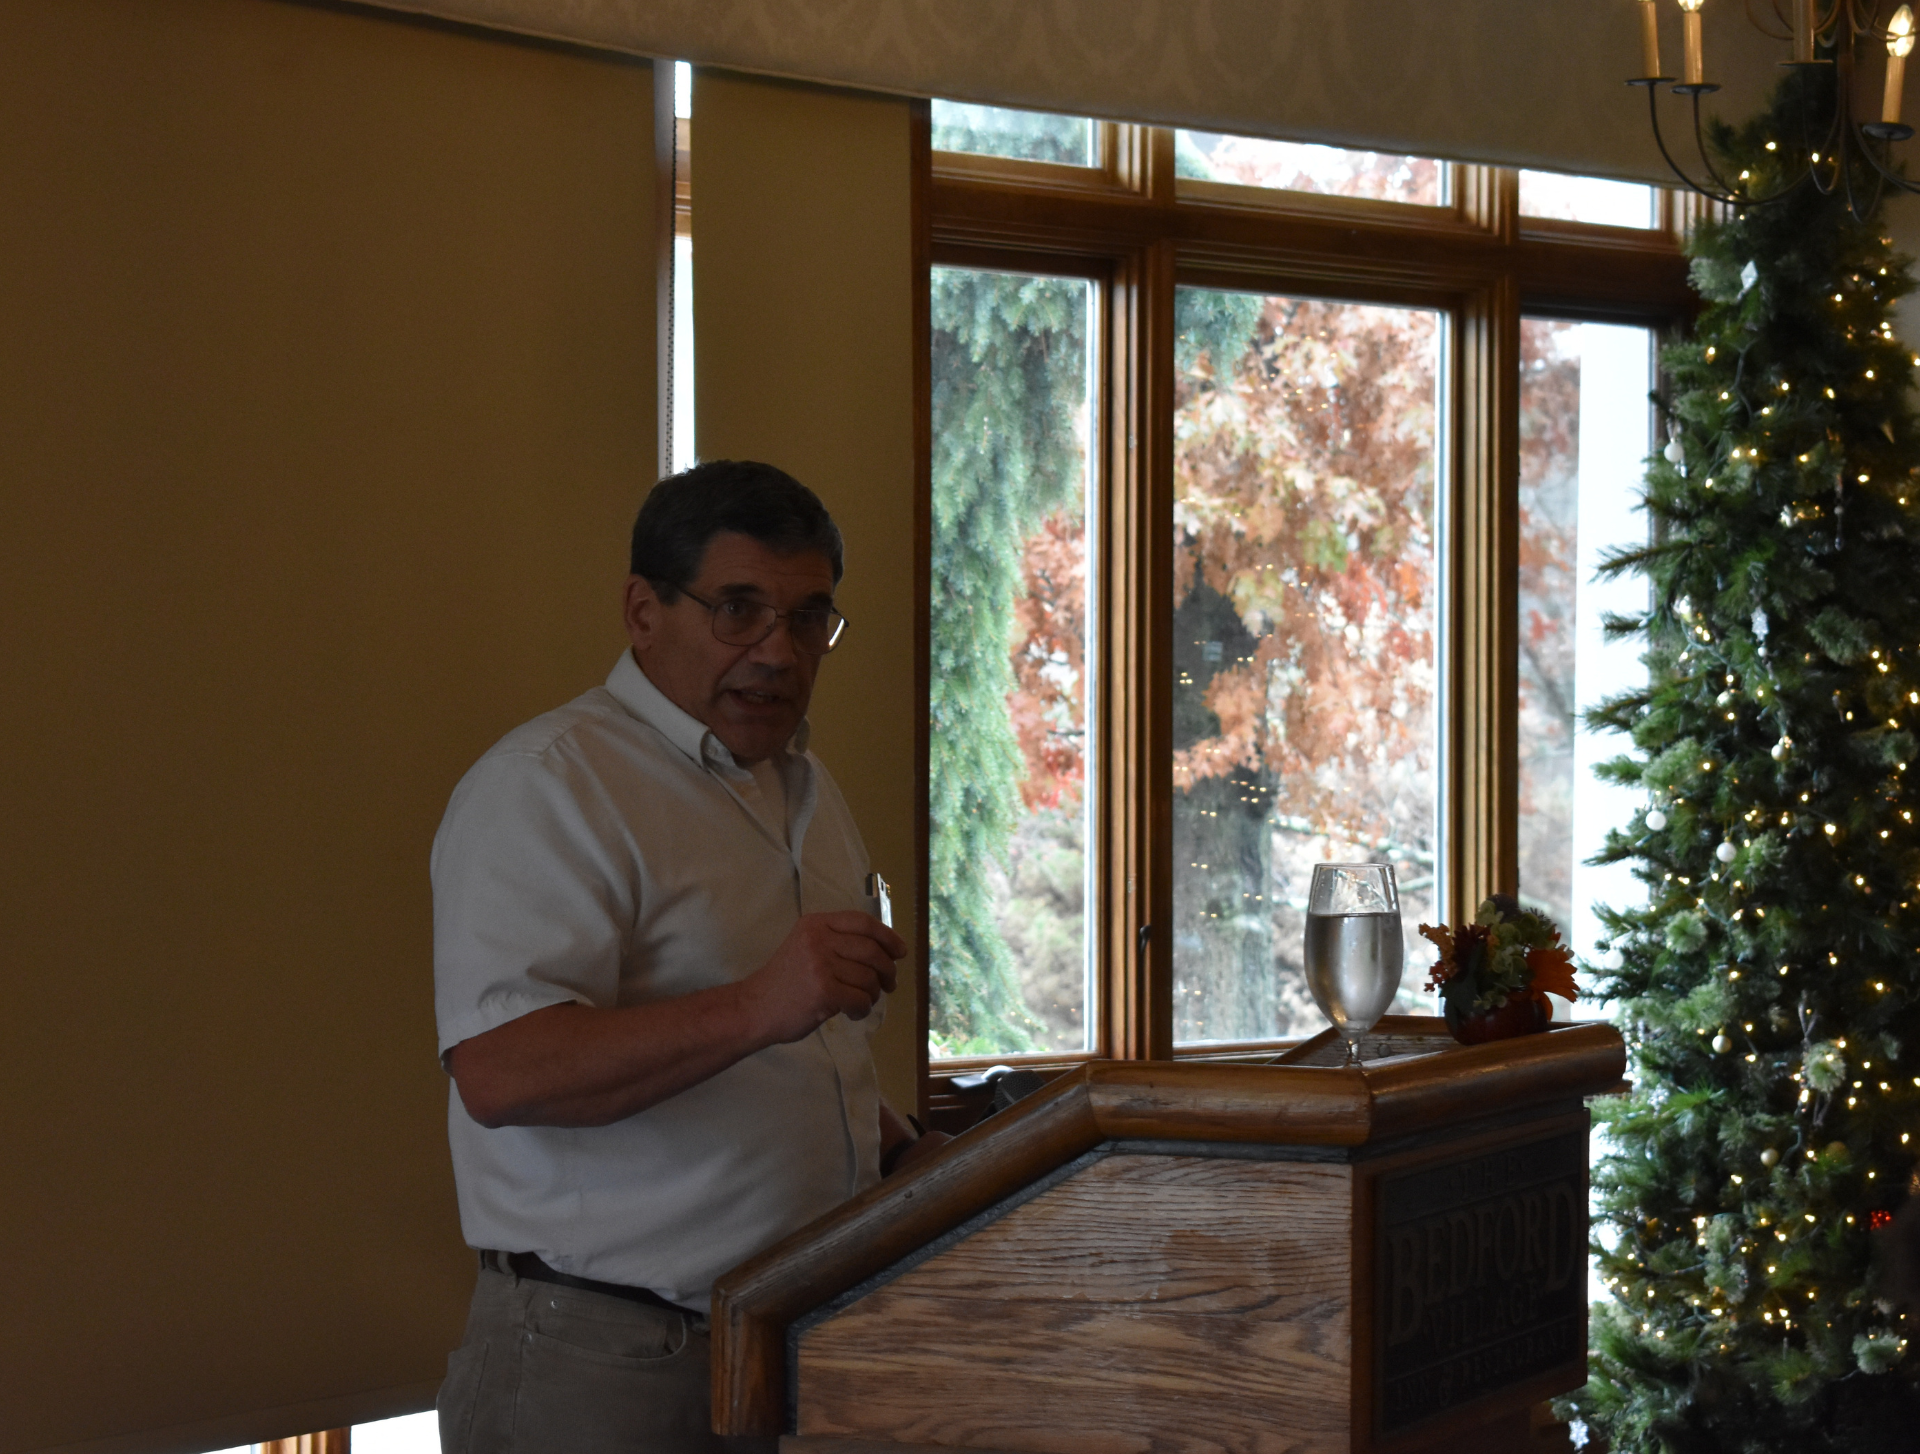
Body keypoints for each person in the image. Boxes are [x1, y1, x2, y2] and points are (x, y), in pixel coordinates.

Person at [431, 460, 945, 1454]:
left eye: (808, 618)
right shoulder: (549, 785)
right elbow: (500, 1070)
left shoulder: (801, 787)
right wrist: (756, 1004)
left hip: (793, 1341)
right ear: (643, 611)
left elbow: (798, 1049)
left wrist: (903, 1153)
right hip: (607, 1361)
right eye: (738, 610)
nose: (777, 651)